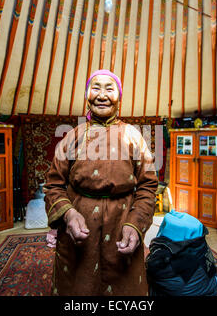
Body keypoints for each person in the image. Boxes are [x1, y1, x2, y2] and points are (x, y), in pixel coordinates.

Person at [44, 69, 158, 296]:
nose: (102, 95)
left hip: (122, 224)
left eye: (110, 88)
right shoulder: (72, 136)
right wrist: (68, 214)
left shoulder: (133, 136)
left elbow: (148, 186)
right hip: (79, 228)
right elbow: (53, 184)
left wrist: (134, 223)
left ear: (119, 97)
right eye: (96, 87)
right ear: (87, 94)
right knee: (78, 288)